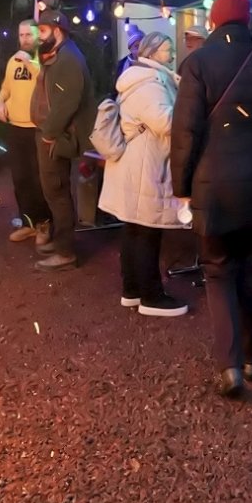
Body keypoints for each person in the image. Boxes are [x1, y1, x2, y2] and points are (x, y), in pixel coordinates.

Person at [171, 0, 252, 398]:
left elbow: (185, 132)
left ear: (213, 22)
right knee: (251, 268)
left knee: (218, 270)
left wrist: (181, 187)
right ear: (246, 22)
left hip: (215, 188)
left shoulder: (197, 64)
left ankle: (230, 367)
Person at [98, 31, 189, 318]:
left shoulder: (143, 79)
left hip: (135, 164)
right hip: (144, 167)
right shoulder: (150, 83)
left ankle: (132, 290)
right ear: (152, 52)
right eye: (167, 49)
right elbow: (166, 122)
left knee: (134, 230)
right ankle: (151, 296)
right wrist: (193, 110)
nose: (172, 54)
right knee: (147, 231)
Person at [30, 8, 96, 271]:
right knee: (55, 191)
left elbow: (66, 103)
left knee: (56, 192)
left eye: (43, 31)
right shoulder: (59, 55)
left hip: (56, 137)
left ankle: (65, 252)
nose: (39, 36)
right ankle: (61, 242)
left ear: (57, 31)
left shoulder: (68, 59)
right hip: (53, 134)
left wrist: (49, 134)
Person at [0, 19, 52, 244]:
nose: (25, 39)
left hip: (37, 129)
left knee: (40, 179)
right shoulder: (13, 61)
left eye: (29, 34)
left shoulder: (45, 60)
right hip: (16, 128)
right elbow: (6, 88)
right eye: (21, 35)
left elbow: (46, 84)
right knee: (20, 179)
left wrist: (30, 63)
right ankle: (28, 223)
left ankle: (44, 224)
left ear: (38, 36)